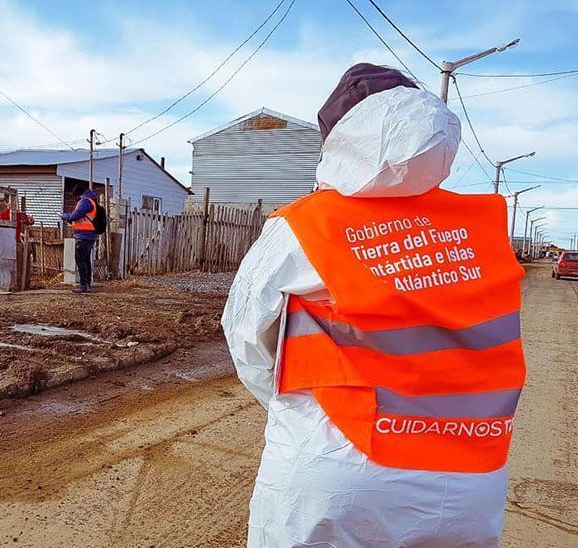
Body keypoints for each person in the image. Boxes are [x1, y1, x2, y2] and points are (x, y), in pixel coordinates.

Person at [222, 63, 526, 547]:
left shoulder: (306, 226)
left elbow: (246, 337)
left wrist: (295, 413)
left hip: (336, 462)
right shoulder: (482, 228)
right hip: (469, 476)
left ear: (338, 138)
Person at [60, 187, 99, 293]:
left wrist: (65, 216)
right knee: (86, 260)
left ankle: (83, 285)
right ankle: (87, 284)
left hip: (84, 236)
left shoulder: (85, 201)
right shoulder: (91, 200)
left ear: (78, 195)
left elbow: (76, 215)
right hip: (89, 235)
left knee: (81, 260)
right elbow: (82, 219)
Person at [0, 197, 34, 290]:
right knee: (9, 265)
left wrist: (31, 220)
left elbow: (30, 222)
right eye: (10, 202)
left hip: (17, 242)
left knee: (20, 265)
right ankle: (9, 285)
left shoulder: (20, 214)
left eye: (14, 202)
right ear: (5, 203)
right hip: (6, 244)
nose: (13, 204)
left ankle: (21, 285)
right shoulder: (2, 215)